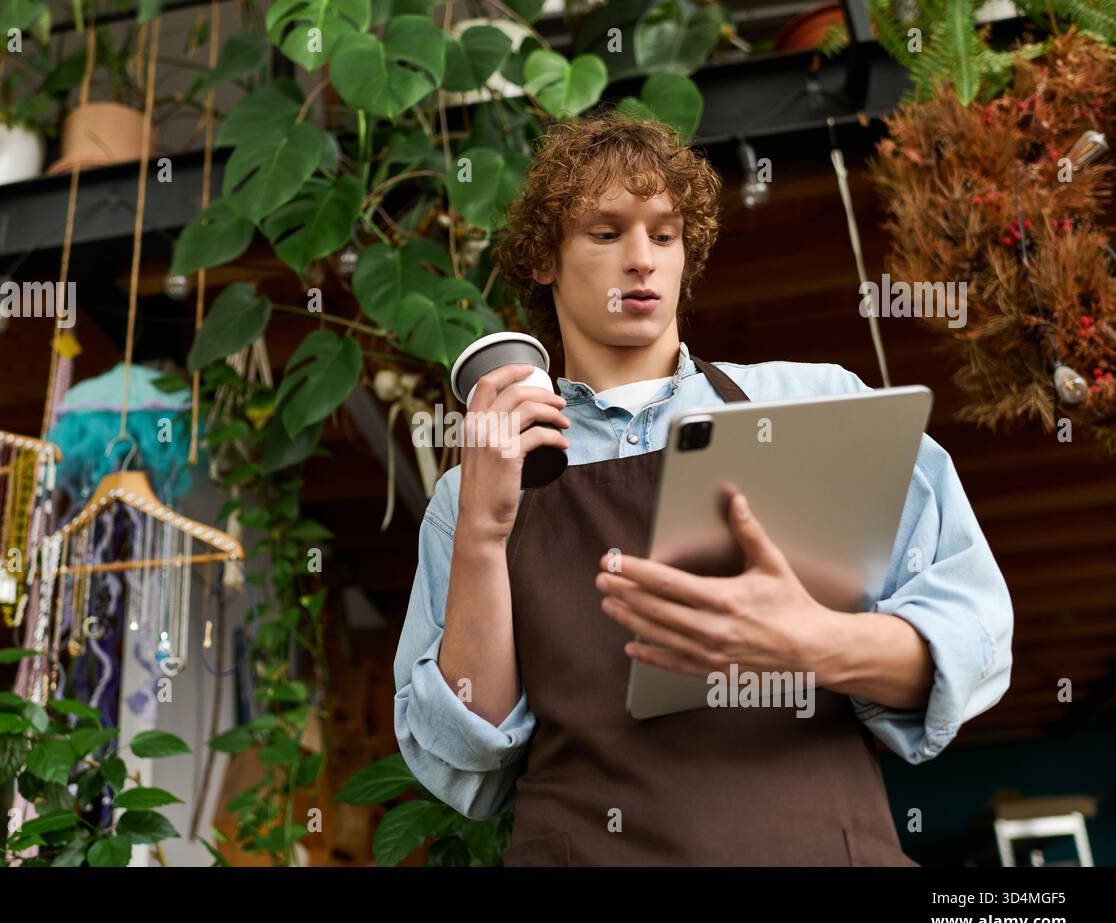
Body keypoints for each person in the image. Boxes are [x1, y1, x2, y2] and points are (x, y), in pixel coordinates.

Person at [393, 110, 1013, 866]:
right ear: (544, 259)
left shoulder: (817, 404)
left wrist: (816, 642)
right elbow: (468, 755)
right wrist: (485, 536)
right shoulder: (476, 492)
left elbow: (972, 636)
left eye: (664, 233)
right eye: (605, 231)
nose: (642, 260)